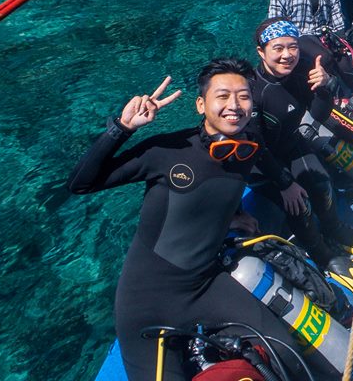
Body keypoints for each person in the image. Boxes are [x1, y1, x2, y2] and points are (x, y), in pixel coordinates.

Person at [67, 59, 331, 381]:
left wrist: (259, 201)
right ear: (200, 104)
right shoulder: (167, 151)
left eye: (243, 96)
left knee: (284, 351)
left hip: (207, 283)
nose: (234, 106)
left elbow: (249, 169)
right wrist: (122, 129)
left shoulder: (248, 146)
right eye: (222, 96)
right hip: (147, 301)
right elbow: (81, 184)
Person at [249, 18, 353, 269]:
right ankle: (319, 251)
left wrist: (324, 88)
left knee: (321, 182)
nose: (287, 55)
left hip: (289, 142)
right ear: (261, 52)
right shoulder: (252, 90)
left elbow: (318, 115)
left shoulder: (304, 71)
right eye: (278, 48)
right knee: (298, 201)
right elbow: (254, 146)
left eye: (293, 46)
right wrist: (285, 183)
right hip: (261, 162)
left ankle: (334, 228)